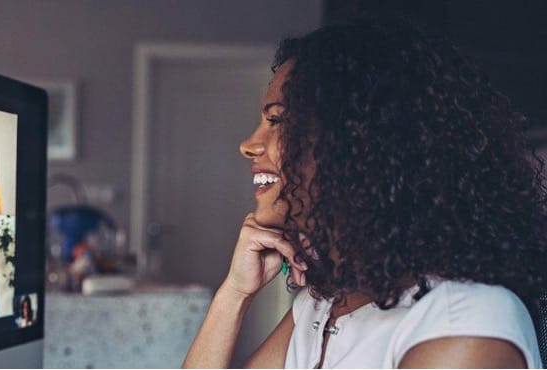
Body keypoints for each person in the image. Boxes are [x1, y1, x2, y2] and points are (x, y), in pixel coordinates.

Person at [183, 17, 546, 368]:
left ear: (356, 143)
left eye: (277, 121)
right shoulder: (323, 306)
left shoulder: (462, 325)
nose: (249, 145)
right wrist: (234, 294)